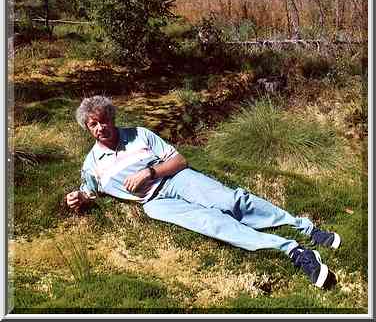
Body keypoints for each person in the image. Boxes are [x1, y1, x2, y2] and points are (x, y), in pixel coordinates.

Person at [66, 95, 341, 289]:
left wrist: (149, 172)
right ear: (87, 128)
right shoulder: (92, 165)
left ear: (112, 118)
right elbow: (89, 194)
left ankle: (304, 227)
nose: (101, 127)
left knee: (232, 201)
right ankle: (295, 251)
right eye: (93, 124)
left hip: (175, 178)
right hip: (155, 204)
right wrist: (79, 199)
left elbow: (179, 160)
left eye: (104, 120)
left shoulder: (139, 134)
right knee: (215, 224)